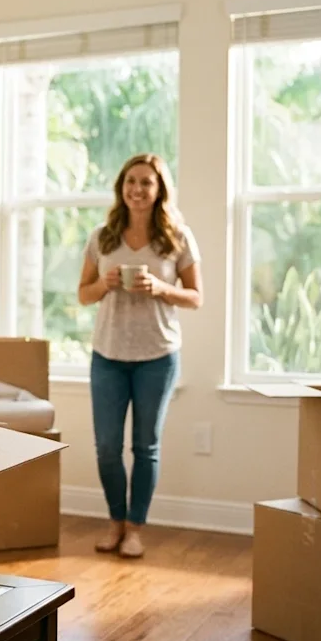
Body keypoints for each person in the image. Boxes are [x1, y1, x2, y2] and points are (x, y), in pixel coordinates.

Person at [76, 153, 202, 559]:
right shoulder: (102, 237)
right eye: (131, 181)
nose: (137, 189)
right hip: (107, 355)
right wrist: (105, 284)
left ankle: (135, 529)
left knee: (145, 447)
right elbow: (83, 294)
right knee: (107, 447)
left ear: (159, 189)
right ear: (122, 187)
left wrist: (160, 289)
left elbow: (196, 297)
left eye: (147, 182)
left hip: (157, 357)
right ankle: (115, 522)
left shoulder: (178, 237)